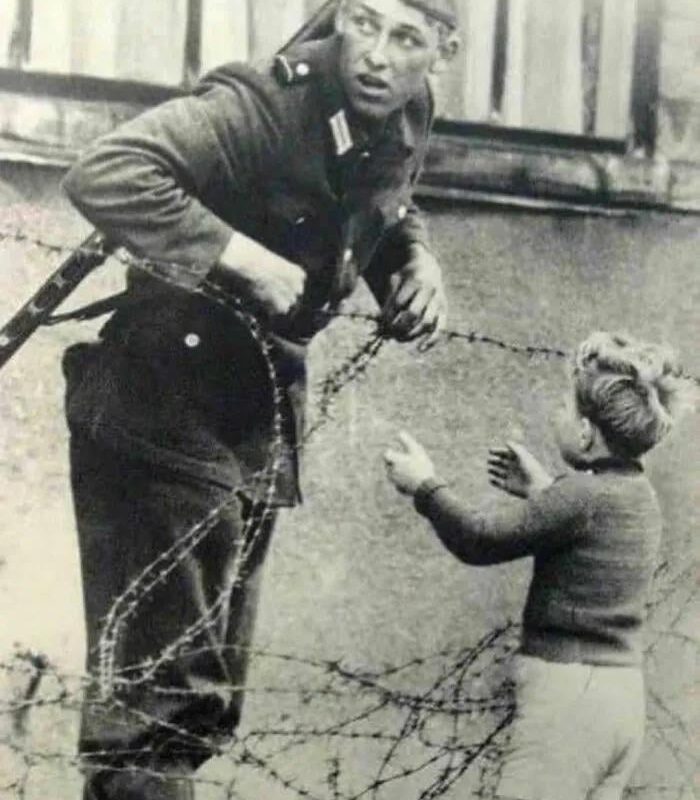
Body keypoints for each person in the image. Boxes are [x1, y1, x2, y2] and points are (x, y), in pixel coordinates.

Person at [61, 1, 460, 798]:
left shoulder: (403, 111)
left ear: (441, 53)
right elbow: (107, 170)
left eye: (406, 38)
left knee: (203, 705)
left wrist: (414, 262)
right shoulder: (264, 102)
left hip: (252, 423)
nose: (376, 55)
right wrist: (237, 255)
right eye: (364, 23)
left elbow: (379, 199)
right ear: (339, 19)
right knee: (156, 710)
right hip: (160, 410)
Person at [384, 331, 694, 800]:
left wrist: (425, 487)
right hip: (622, 700)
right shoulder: (639, 498)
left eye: (565, 408)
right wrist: (544, 492)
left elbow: (479, 540)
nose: (556, 414)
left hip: (569, 702)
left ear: (587, 432)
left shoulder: (579, 496)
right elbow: (590, 537)